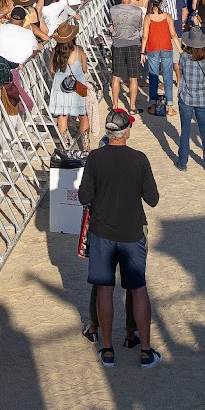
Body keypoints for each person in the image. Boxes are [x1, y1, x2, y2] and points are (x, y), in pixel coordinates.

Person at [75, 110, 161, 369]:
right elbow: (153, 199)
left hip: (102, 232)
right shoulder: (139, 159)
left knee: (105, 289)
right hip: (131, 232)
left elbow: (83, 196)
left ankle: (108, 350)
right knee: (138, 289)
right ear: (127, 132)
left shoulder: (95, 158)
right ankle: (145, 350)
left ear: (109, 133)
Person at [174, 27, 205, 172]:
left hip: (186, 97)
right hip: (203, 98)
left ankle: (182, 163)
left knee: (185, 131)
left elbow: (181, 72)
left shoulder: (185, 57)